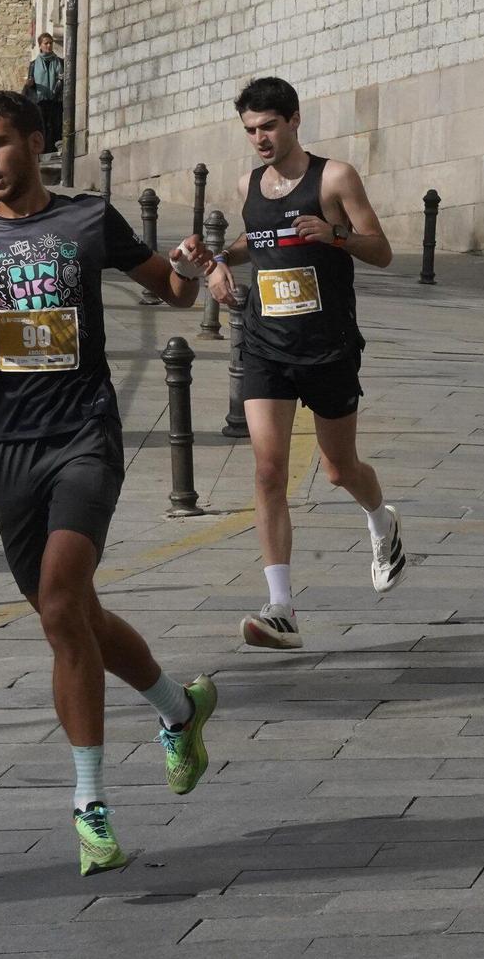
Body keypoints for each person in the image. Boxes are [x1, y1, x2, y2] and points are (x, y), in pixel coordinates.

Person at [0, 89, 218, 877]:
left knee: (59, 599)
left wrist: (188, 268)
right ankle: (180, 713)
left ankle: (89, 806)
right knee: (74, 615)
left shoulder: (89, 222)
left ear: (35, 143)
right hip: (6, 448)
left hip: (85, 434)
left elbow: (176, 294)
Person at [204, 77, 403, 651]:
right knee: (268, 471)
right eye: (250, 131)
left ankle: (380, 518)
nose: (260, 140)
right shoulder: (248, 182)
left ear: (294, 120)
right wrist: (217, 259)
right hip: (266, 345)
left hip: (329, 345)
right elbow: (256, 239)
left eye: (268, 127)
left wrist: (336, 234)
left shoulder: (334, 176)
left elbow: (382, 251)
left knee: (339, 470)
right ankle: (281, 607)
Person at [27, 32, 65, 153]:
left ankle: (56, 150)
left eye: (50, 43)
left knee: (56, 126)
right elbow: (30, 84)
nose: (49, 45)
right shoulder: (33, 64)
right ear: (40, 46)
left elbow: (64, 79)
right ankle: (43, 151)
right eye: (46, 43)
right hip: (41, 100)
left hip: (56, 99)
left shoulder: (60, 62)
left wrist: (60, 81)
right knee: (43, 126)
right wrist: (30, 83)